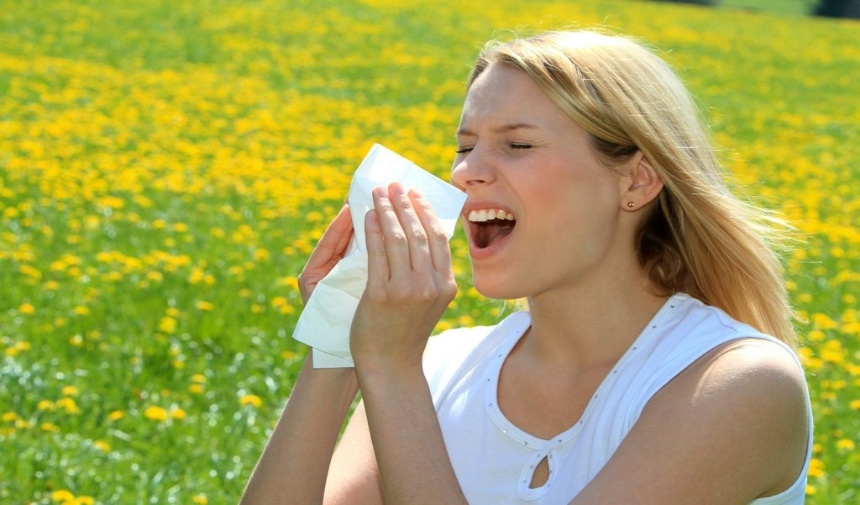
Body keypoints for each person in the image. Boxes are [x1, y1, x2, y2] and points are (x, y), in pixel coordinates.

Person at [240, 29, 813, 504]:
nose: (465, 174)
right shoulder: (439, 368)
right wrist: (339, 340)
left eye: (517, 146)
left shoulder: (737, 385)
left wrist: (389, 368)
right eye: (465, 147)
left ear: (637, 179)